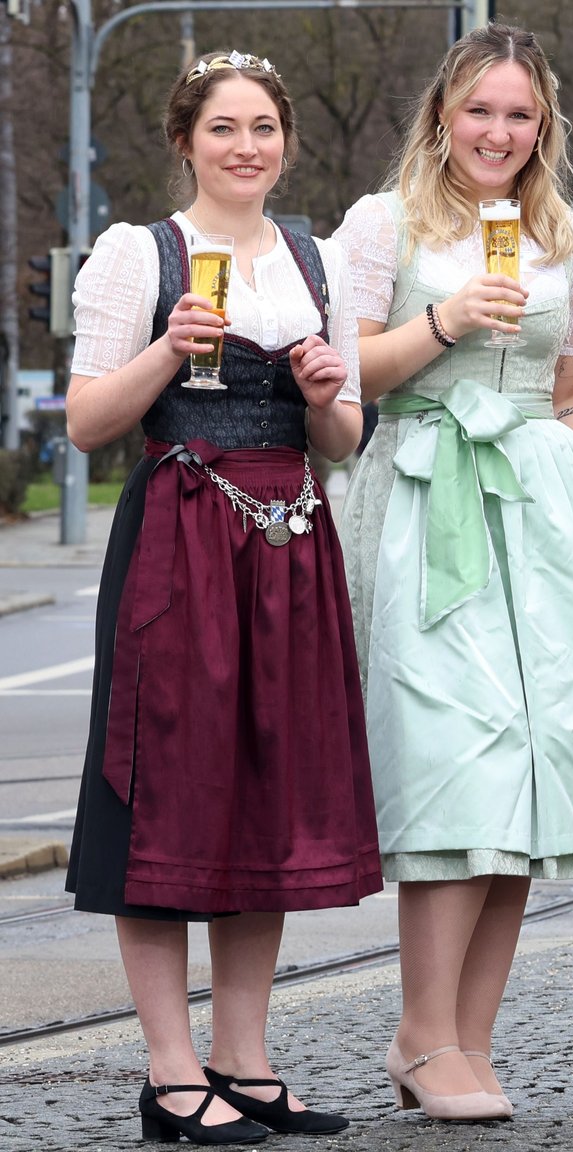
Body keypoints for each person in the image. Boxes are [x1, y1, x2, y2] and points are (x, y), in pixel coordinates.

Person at [62, 49, 379, 1143]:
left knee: (265, 795)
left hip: (288, 535)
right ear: (186, 142)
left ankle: (243, 1059)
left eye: (262, 128)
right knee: (166, 794)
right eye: (224, 129)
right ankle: (169, 1069)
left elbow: (340, 441)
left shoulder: (314, 259)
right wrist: (165, 353)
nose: (247, 147)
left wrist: (330, 396)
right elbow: (87, 422)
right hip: (179, 538)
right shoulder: (135, 256)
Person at [333, 23, 573, 1121]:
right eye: (480, 111)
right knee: (453, 764)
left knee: (532, 776)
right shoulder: (385, 222)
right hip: (425, 494)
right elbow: (344, 368)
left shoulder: (564, 232)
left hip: (540, 509)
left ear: (541, 126)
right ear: (442, 115)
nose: (498, 132)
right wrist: (443, 320)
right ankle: (421, 1033)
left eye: (518, 115)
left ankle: (471, 1035)